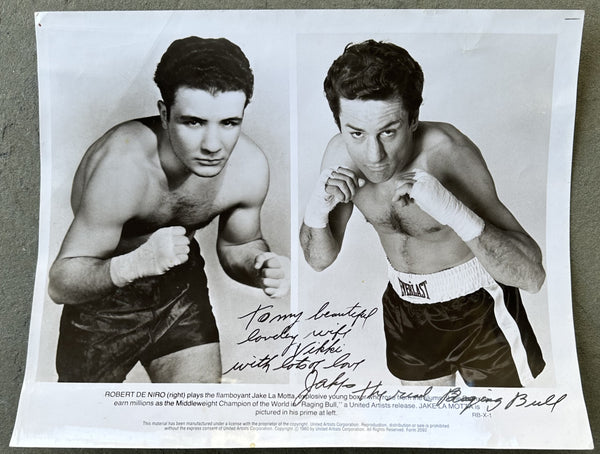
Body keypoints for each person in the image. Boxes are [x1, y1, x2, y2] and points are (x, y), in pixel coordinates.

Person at [300, 40, 546, 387]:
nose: (373, 155)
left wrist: (453, 211)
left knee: (504, 431)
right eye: (356, 133)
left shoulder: (448, 153)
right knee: (426, 431)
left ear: (413, 119)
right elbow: (318, 260)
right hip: (405, 310)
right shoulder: (340, 157)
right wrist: (315, 213)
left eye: (389, 131)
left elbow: (532, 276)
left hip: (479, 310)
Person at [48, 36, 290, 383]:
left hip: (178, 288)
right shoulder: (123, 163)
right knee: (85, 424)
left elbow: (239, 244)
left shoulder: (249, 167)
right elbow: (61, 283)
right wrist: (137, 263)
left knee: (196, 417)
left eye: (229, 123)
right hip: (103, 293)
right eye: (193, 122)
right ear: (164, 114)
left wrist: (259, 266)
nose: (212, 145)